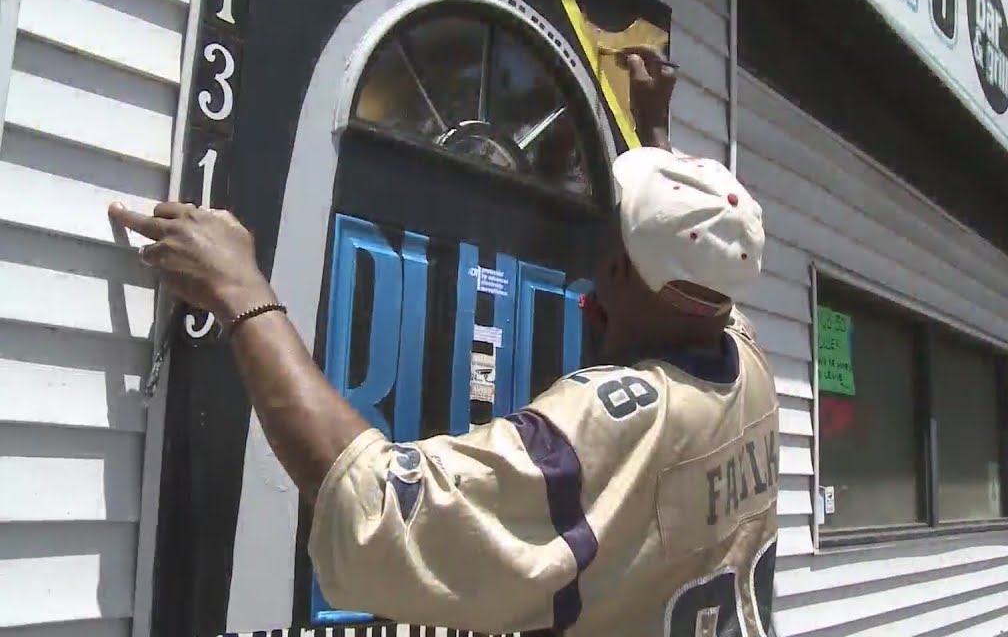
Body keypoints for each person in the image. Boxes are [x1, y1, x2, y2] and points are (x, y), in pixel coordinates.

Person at [108, 49, 778, 636]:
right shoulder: (747, 365)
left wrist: (240, 290)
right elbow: (692, 273)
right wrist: (655, 134)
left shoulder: (611, 426)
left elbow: (377, 510)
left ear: (617, 268)